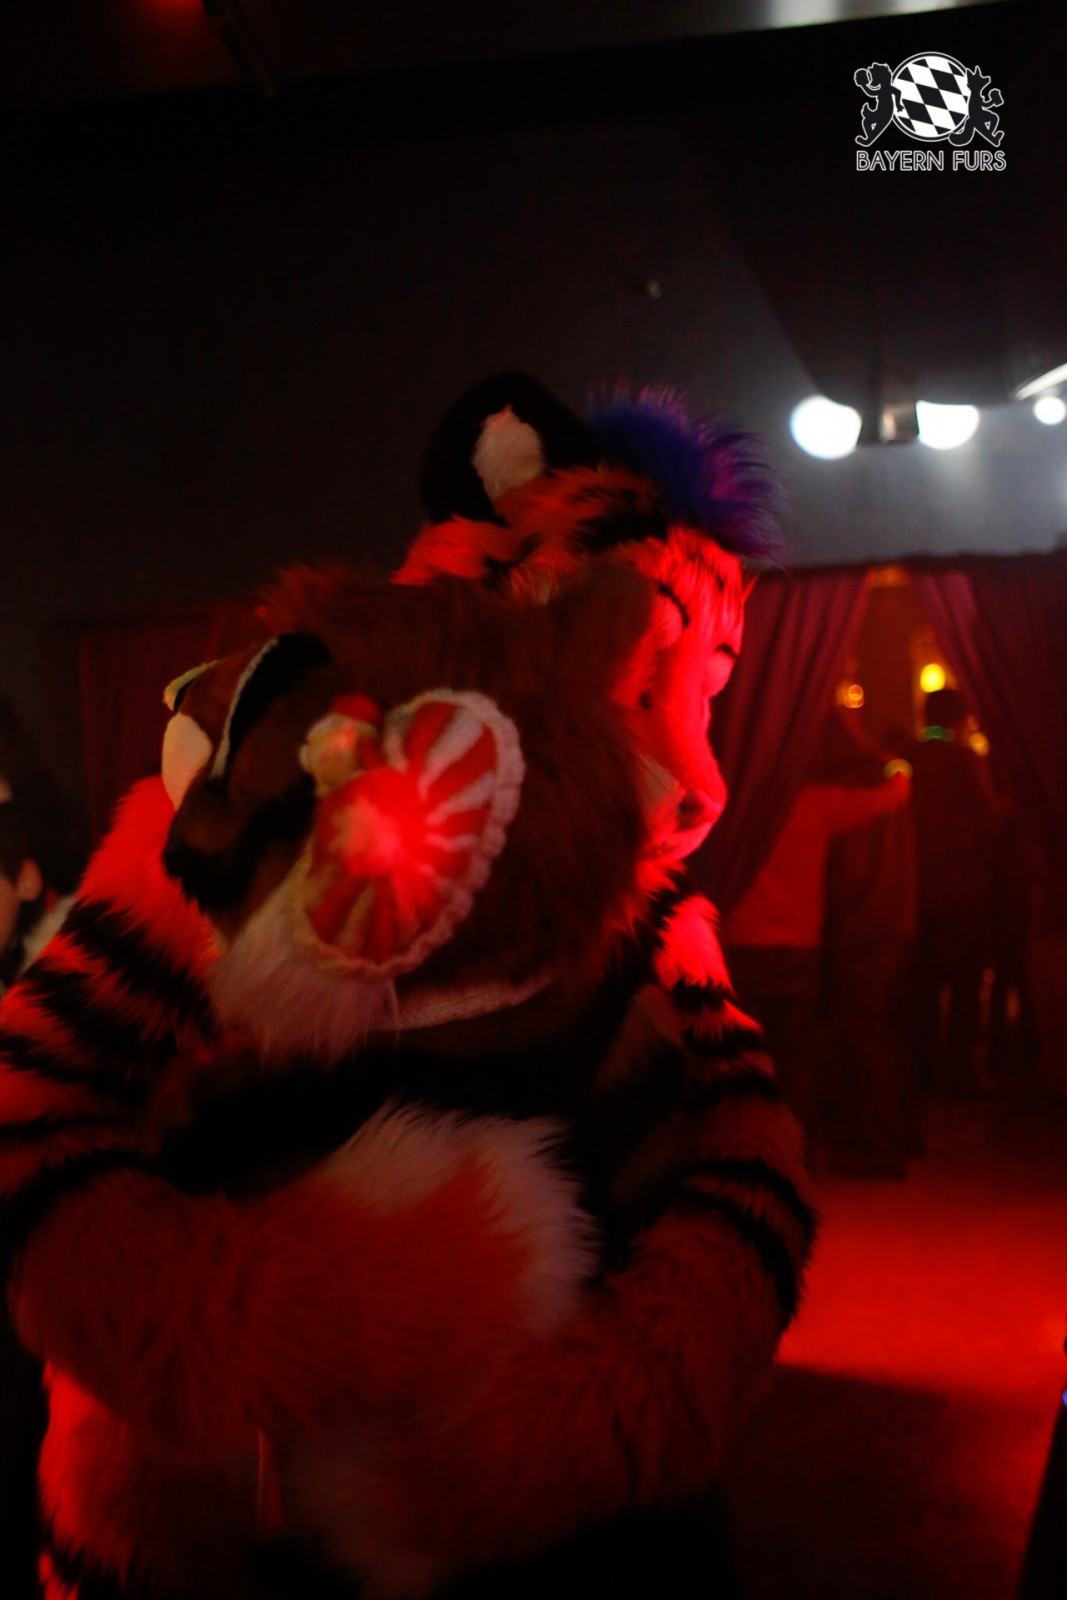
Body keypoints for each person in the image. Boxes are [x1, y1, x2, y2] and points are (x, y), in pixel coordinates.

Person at [724, 717, 911, 1165]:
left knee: (744, 1060)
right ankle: (798, 1152)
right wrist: (894, 761)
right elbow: (894, 793)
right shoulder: (815, 804)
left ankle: (746, 1152)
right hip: (799, 949)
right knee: (796, 1062)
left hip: (744, 946)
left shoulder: (738, 811)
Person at [907, 687, 1004, 1100]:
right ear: (960, 718)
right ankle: (960, 1075)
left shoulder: (911, 759)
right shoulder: (964, 760)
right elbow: (989, 819)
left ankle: (925, 1073)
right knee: (965, 986)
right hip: (964, 889)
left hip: (919, 890)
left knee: (924, 986)